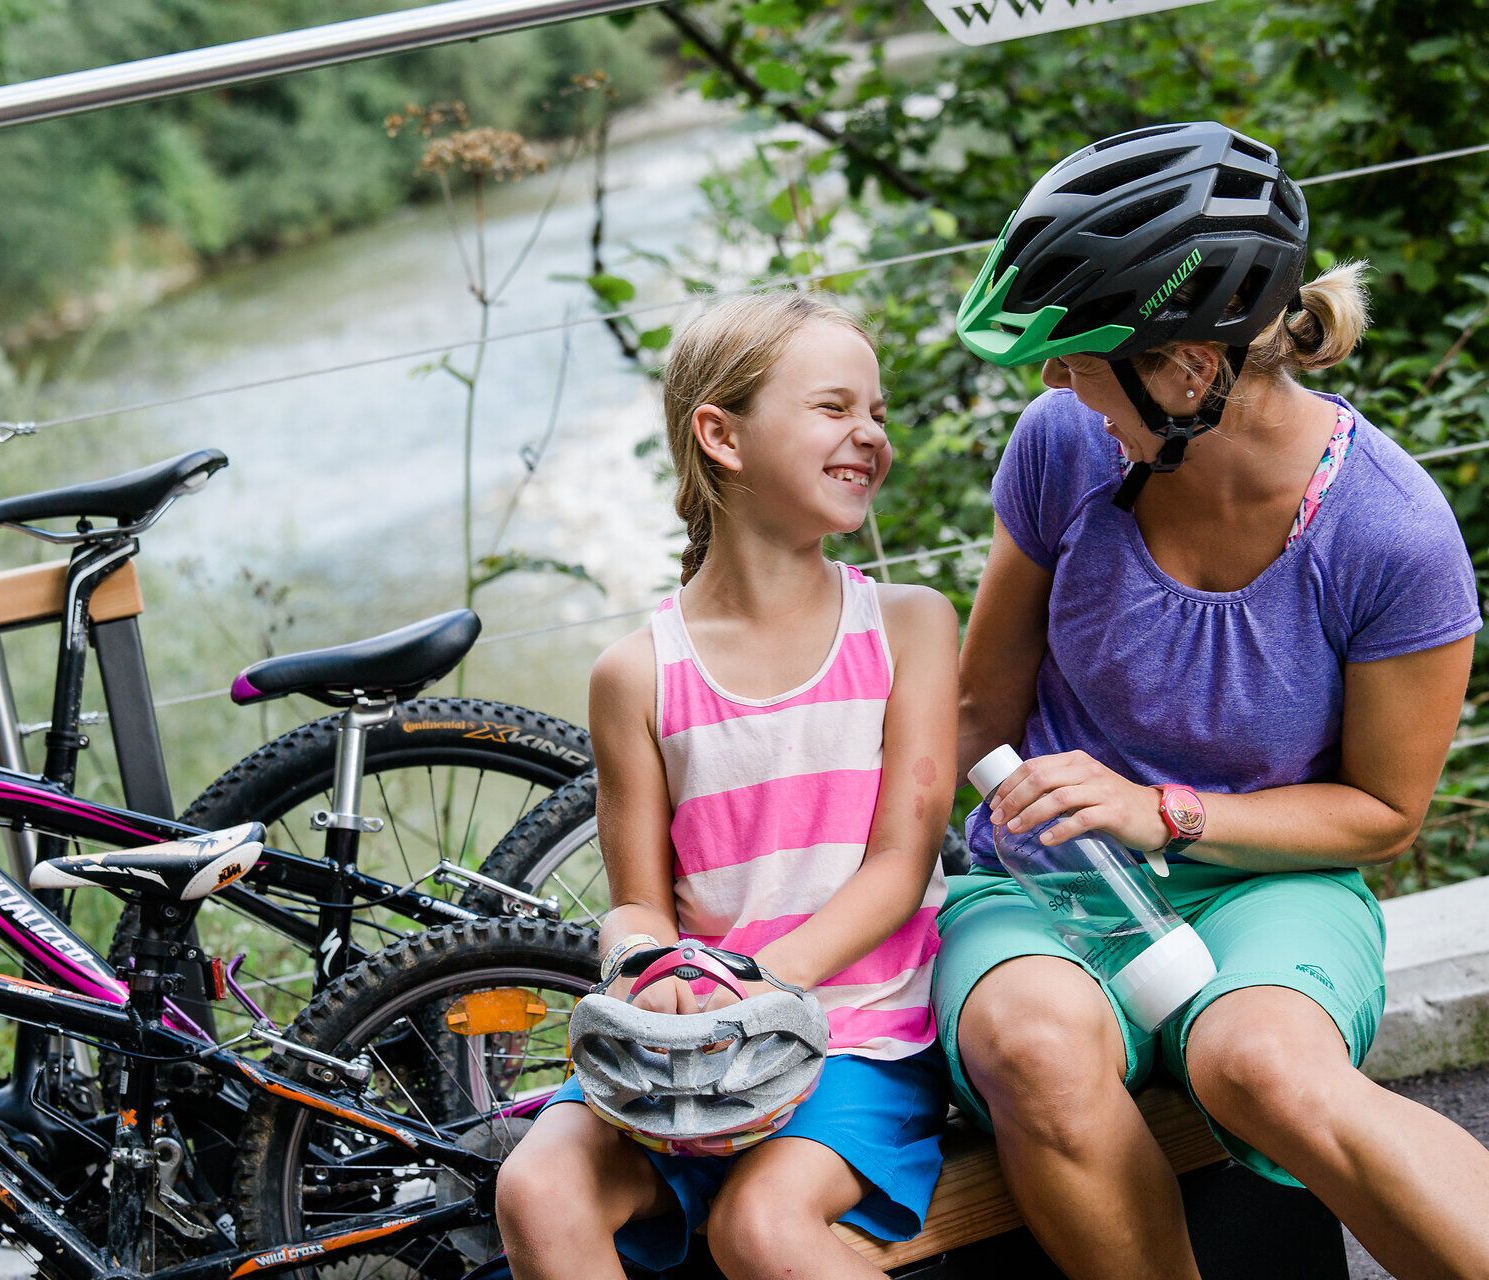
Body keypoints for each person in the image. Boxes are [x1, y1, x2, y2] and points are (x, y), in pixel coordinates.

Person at [938, 120, 1489, 1278]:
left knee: (1267, 1066)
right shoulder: (1060, 448)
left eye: (1079, 354)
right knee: (1034, 1043)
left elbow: (1383, 813)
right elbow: (974, 713)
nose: (1053, 382)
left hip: (1265, 880)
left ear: (1188, 367)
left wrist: (1163, 810)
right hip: (1042, 878)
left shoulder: (1390, 532)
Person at [496, 291, 957, 1279]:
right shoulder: (635, 673)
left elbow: (901, 860)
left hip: (854, 1037)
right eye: (834, 407)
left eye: (875, 411)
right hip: (687, 1047)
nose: (868, 434)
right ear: (722, 434)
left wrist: (754, 982)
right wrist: (651, 973)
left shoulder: (909, 626)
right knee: (536, 1184)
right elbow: (635, 903)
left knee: (763, 1226)